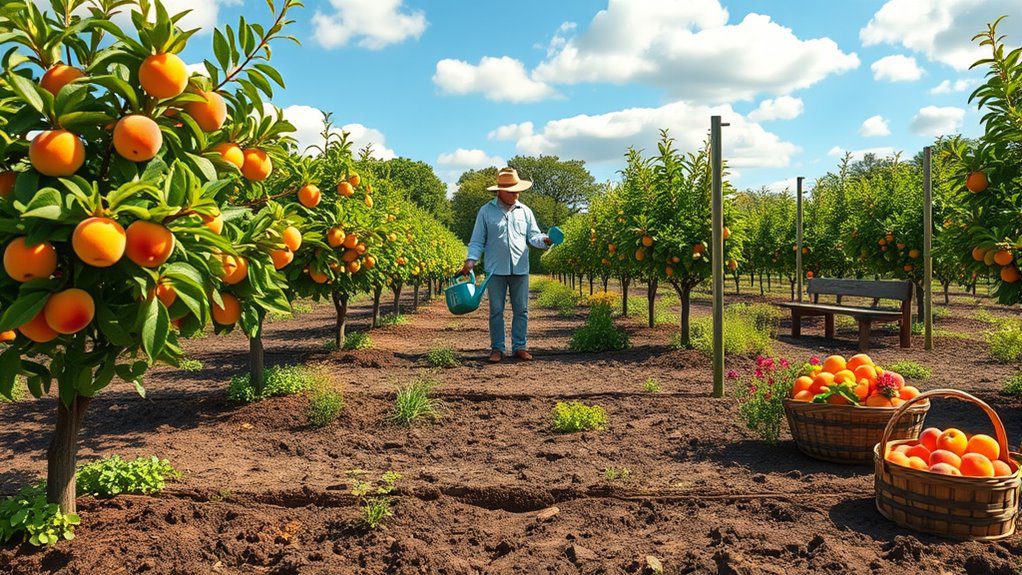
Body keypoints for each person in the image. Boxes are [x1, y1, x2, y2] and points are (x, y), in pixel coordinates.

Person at [462, 167, 552, 363]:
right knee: (496, 311)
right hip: (495, 270)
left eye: (517, 190)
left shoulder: (525, 211)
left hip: (520, 269)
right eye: (512, 190)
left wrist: (545, 240)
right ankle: (497, 349)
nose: (516, 194)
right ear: (499, 191)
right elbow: (477, 240)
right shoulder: (486, 211)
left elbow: (533, 236)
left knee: (522, 310)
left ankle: (520, 346)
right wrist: (471, 260)